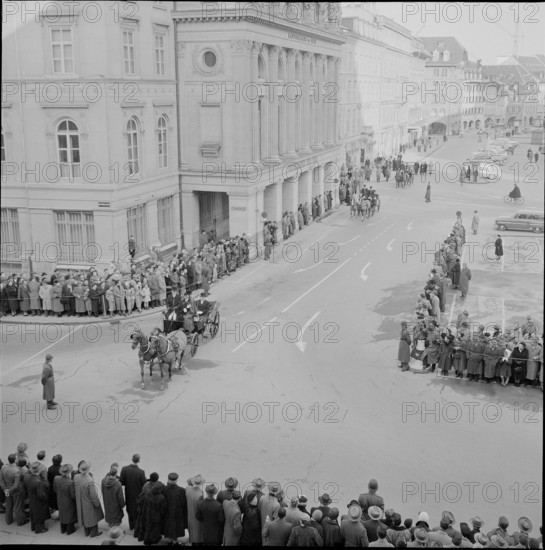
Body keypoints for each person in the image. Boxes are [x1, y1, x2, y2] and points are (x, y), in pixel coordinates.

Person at [74, 461, 104, 537]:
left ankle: (86, 532)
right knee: (92, 518)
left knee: (84, 517)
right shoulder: (89, 480)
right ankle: (94, 533)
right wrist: (97, 503)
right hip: (88, 502)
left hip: (80, 501)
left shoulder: (76, 477)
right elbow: (93, 495)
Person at [120, 454, 146, 531]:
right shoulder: (141, 472)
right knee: (137, 511)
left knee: (130, 510)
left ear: (132, 459)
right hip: (138, 495)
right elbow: (144, 484)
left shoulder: (124, 469)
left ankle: (131, 526)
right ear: (139, 460)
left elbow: (122, 482)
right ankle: (137, 527)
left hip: (128, 494)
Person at [23, 462, 50, 534]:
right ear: (39, 470)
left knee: (33, 513)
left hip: (32, 498)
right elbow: (41, 495)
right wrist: (46, 498)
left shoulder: (27, 477)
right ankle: (39, 529)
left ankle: (33, 527)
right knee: (39, 515)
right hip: (38, 501)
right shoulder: (38, 482)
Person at [162, 472, 188, 544]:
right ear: (176, 480)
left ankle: (170, 540)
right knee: (176, 527)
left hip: (167, 512)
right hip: (177, 513)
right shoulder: (182, 490)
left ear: (168, 479)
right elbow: (183, 503)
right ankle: (175, 541)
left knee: (168, 525)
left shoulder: (163, 489)